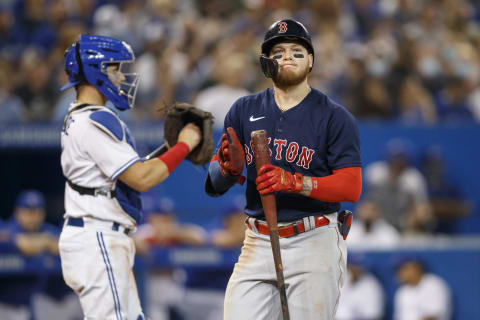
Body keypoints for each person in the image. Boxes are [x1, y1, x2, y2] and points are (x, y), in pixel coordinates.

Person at [204, 19, 362, 320]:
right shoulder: (243, 109)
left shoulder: (335, 117)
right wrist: (226, 170)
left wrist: (295, 182)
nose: (286, 56)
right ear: (266, 63)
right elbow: (215, 182)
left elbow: (351, 186)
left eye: (296, 50)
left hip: (313, 239)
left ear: (311, 60)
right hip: (257, 239)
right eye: (277, 51)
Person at [58, 34, 202, 320]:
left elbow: (128, 172)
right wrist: (186, 144)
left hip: (93, 235)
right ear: (95, 71)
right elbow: (142, 178)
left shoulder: (79, 116)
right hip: (97, 235)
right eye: (115, 69)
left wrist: (170, 148)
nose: (121, 77)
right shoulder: (96, 120)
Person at [335, 253, 385, 320]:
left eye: (358, 265)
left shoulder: (371, 285)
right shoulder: (341, 281)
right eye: (353, 265)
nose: (355, 268)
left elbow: (373, 314)